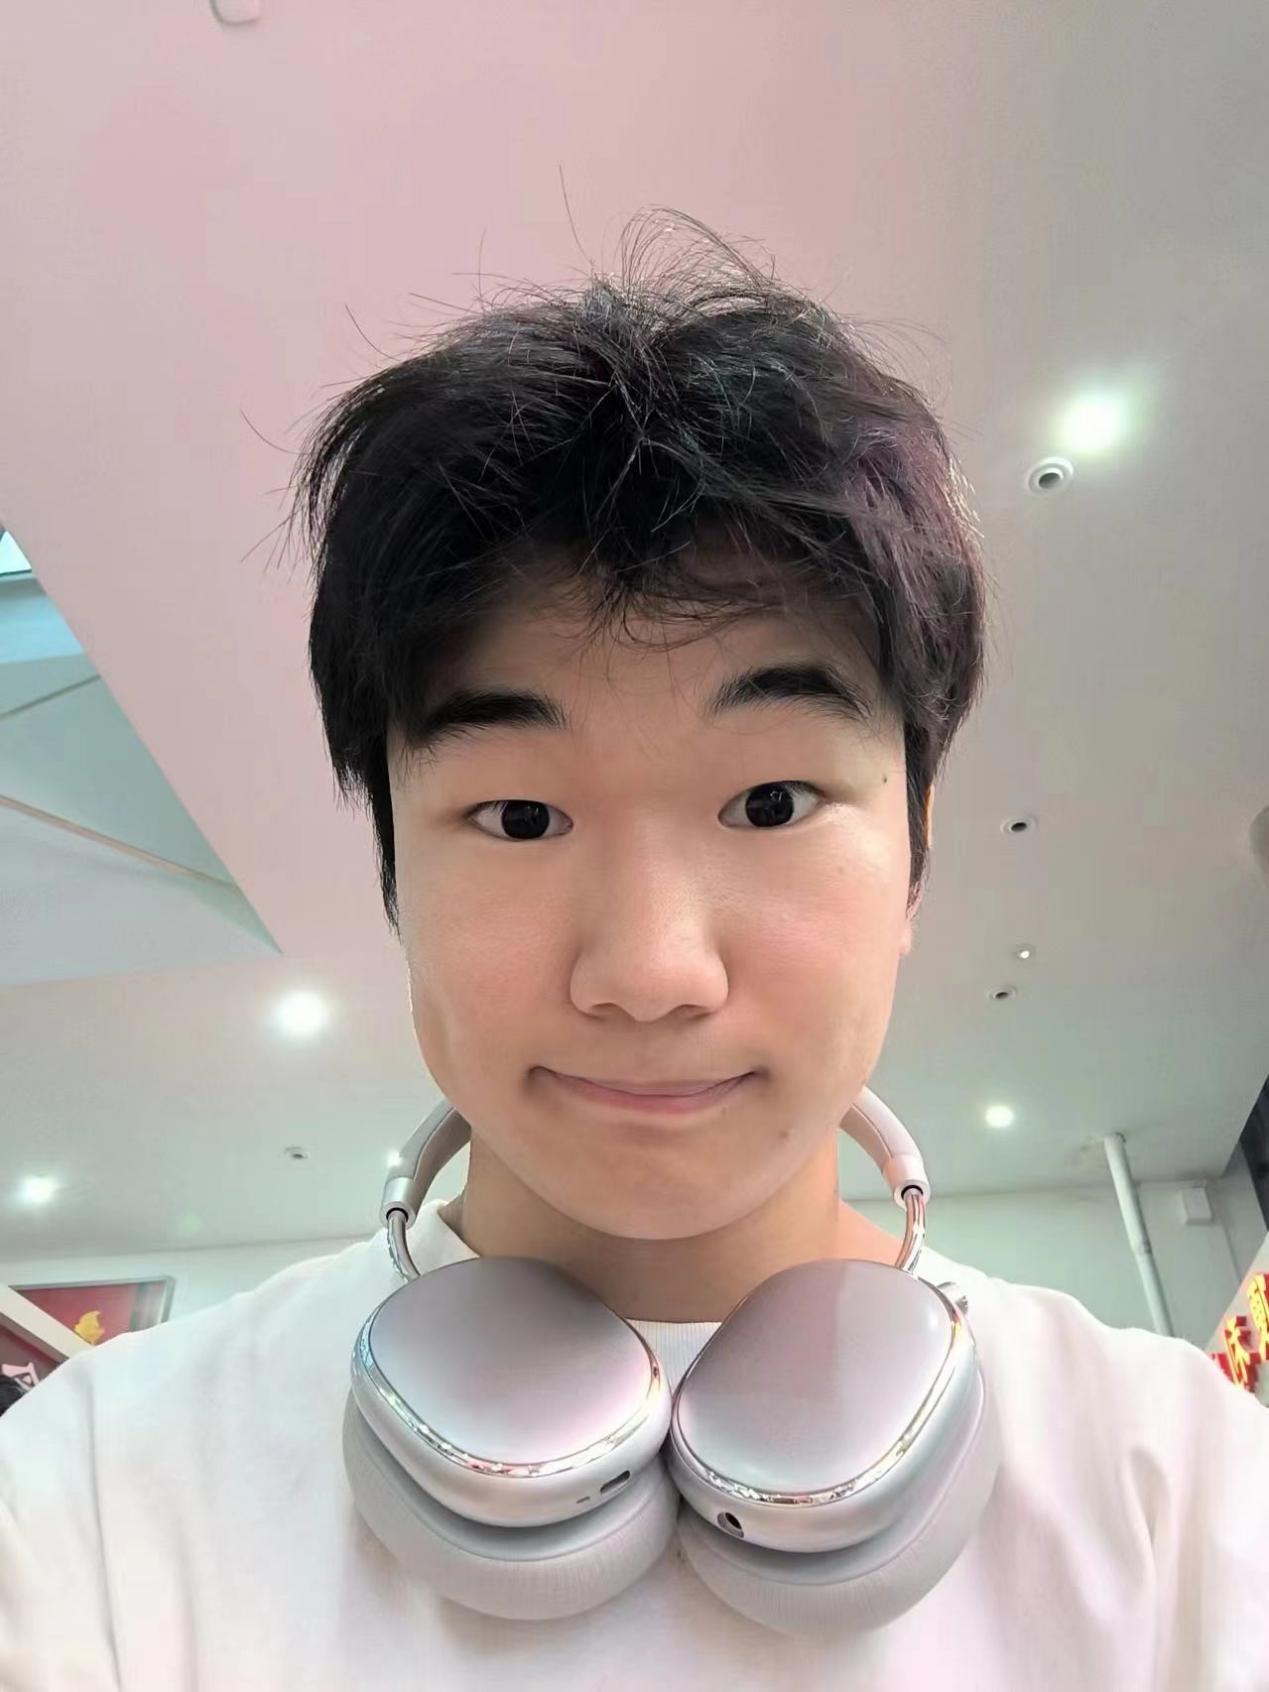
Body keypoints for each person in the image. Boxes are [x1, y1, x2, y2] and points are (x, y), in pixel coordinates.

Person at [1, 215, 1266, 1691]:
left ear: (915, 850)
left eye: (772, 802)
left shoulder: (1182, 1490)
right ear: (395, 874)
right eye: (519, 815)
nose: (653, 971)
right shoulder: (99, 1500)